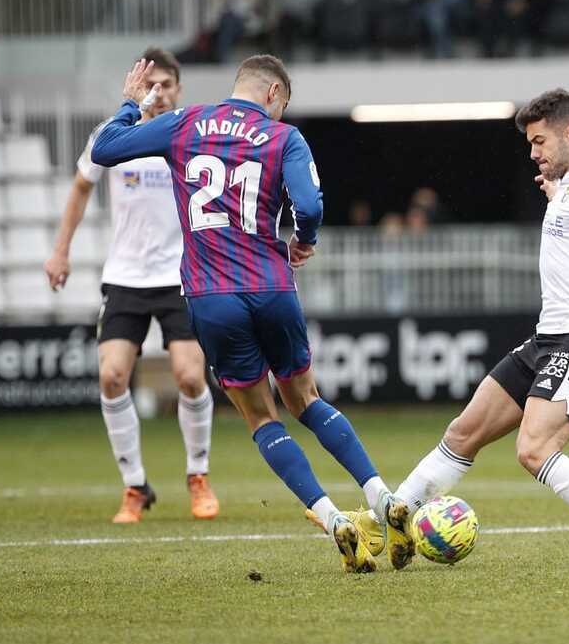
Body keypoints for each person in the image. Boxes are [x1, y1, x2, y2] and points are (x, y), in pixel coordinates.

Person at [89, 54, 413, 573]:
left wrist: (131, 103)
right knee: (305, 399)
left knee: (262, 415)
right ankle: (382, 497)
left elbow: (105, 150)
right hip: (271, 285)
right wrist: (303, 242)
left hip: (211, 296)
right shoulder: (284, 138)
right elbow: (308, 206)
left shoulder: (185, 122)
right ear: (273, 96)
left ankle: (333, 520)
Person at [318, 89, 569, 570]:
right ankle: (391, 519)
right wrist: (558, 198)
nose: (534, 152)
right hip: (549, 337)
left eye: (540, 141)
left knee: (534, 449)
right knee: (463, 432)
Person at [44, 48, 219, 525]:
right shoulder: (114, 136)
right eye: (151, 84)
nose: (158, 92)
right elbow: (82, 187)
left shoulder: (193, 135)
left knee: (188, 375)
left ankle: (198, 475)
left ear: (179, 89)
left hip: (182, 275)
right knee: (111, 376)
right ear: (139, 87)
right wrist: (61, 250)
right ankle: (135, 486)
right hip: (125, 277)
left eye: (166, 84)